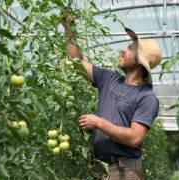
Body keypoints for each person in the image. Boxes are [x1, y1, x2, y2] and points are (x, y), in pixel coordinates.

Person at [61, 14, 161, 180]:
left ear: (139, 60)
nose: (122, 50)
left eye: (130, 48)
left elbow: (135, 138)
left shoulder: (146, 97)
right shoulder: (110, 79)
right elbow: (77, 62)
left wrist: (98, 122)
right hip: (100, 168)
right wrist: (68, 27)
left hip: (125, 171)